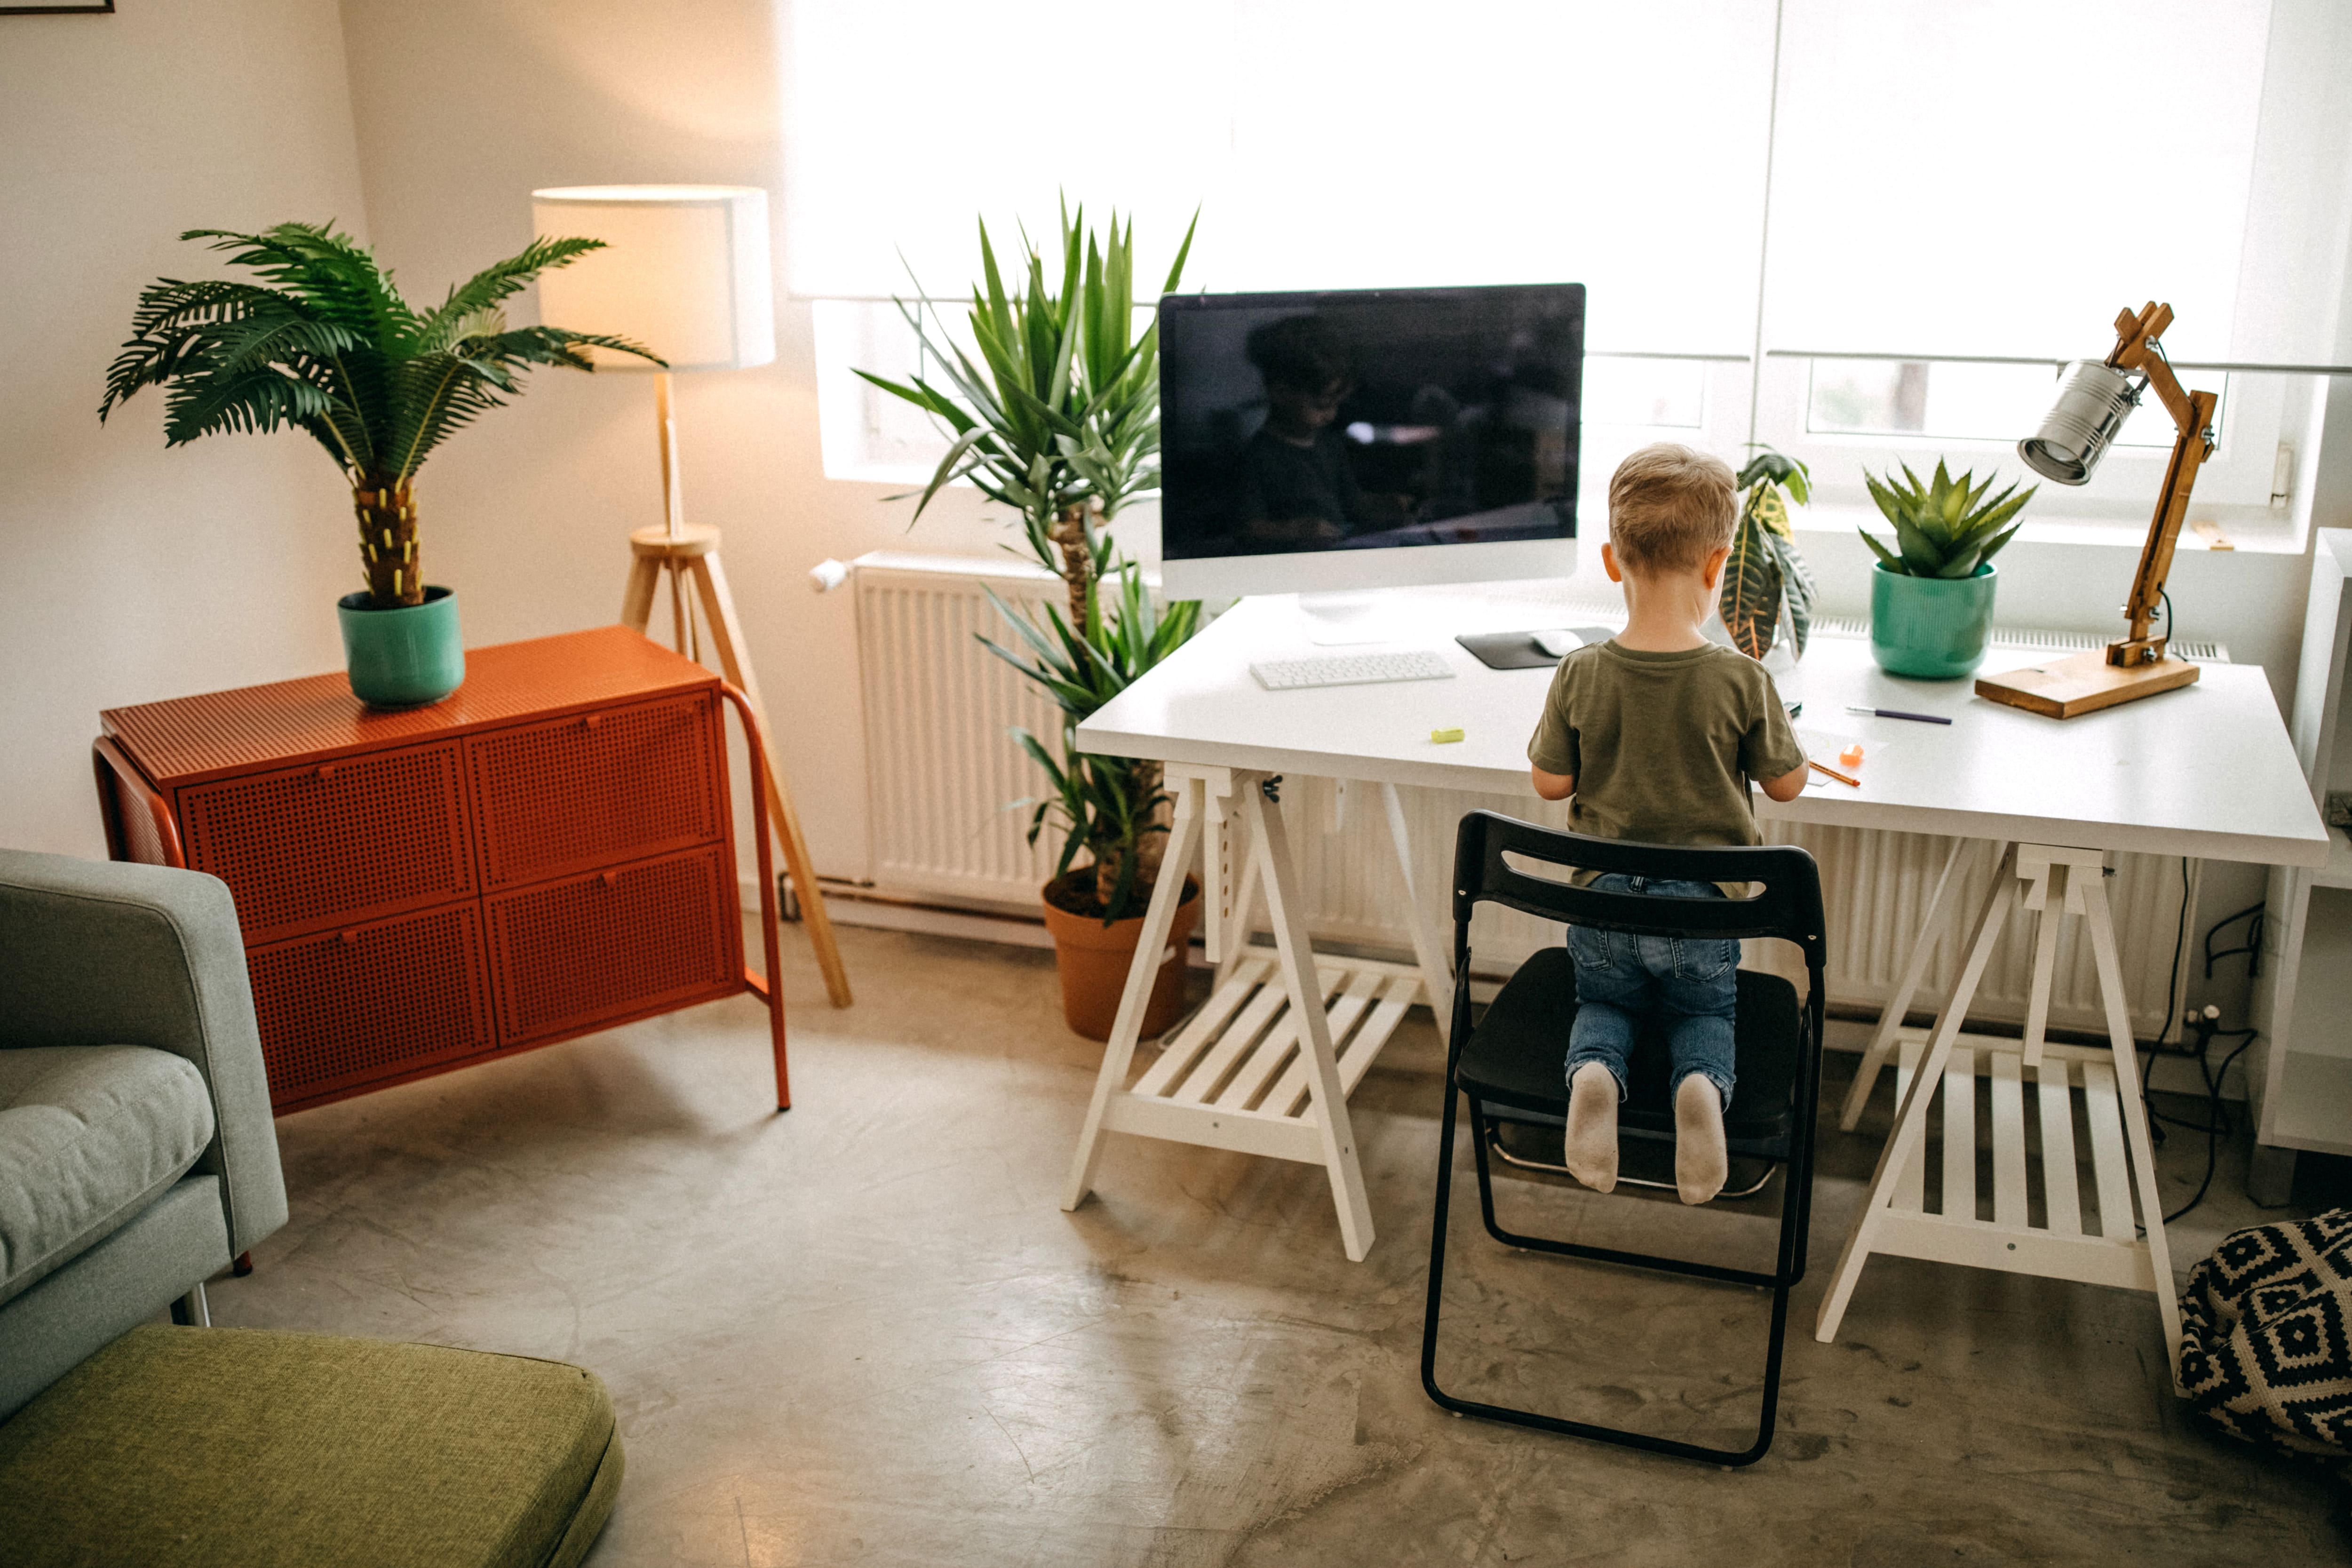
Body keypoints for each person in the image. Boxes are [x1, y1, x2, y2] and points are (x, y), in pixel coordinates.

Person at [1525, 443, 1810, 1204]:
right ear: (1719, 566)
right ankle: (1701, 1092)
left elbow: (1551, 782)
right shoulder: (1741, 678)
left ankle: (1593, 1075)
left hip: (1604, 909)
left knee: (1606, 1004)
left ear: (1614, 561)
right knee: (1705, 1011)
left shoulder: (1580, 671)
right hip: (1703, 914)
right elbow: (1786, 786)